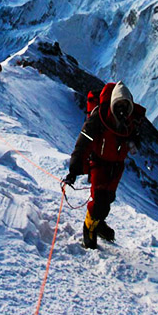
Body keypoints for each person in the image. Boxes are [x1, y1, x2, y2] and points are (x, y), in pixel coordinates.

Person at [63, 81, 145, 249]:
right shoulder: (99, 119)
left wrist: (133, 142)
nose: (122, 109)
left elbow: (136, 138)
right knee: (99, 200)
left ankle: (98, 223)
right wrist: (74, 169)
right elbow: (83, 143)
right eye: (119, 105)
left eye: (125, 105)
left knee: (108, 199)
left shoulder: (131, 122)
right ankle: (89, 229)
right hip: (99, 163)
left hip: (116, 165)